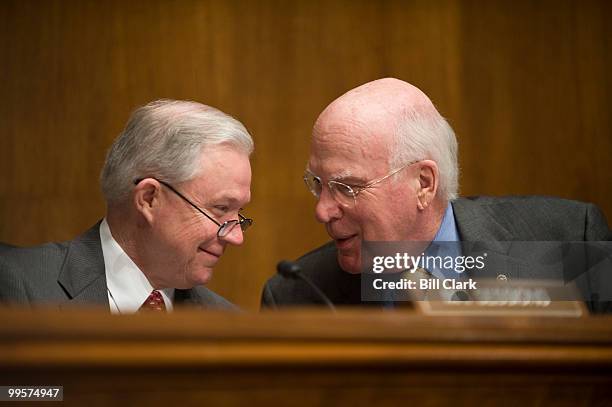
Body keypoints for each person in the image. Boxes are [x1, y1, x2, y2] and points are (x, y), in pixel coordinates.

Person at [261, 78, 611, 312]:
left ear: (424, 183)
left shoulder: (569, 237)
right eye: (318, 184)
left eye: (347, 188)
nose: (322, 211)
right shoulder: (297, 295)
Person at [0, 99, 254, 312]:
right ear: (148, 198)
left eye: (239, 214)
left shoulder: (229, 324)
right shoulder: (19, 287)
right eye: (221, 209)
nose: (237, 236)